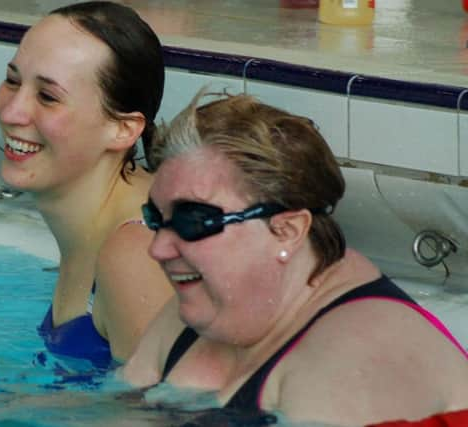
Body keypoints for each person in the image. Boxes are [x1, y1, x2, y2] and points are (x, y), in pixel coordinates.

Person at [122, 89, 468, 426]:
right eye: (157, 219)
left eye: (193, 221)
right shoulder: (202, 311)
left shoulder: (350, 366)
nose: (158, 248)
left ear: (286, 231)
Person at [0, 1, 173, 371]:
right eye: (13, 81)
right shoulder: (88, 224)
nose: (11, 112)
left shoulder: (138, 255)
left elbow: (159, 416)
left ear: (122, 129)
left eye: (48, 97)